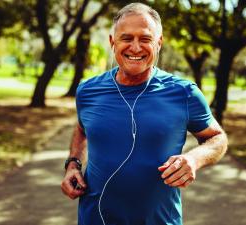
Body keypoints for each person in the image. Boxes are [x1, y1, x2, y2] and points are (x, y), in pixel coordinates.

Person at [61, 3, 228, 225]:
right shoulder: (87, 90)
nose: (136, 47)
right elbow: (82, 128)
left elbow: (217, 138)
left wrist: (193, 159)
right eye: (127, 38)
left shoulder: (184, 92)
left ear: (159, 43)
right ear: (113, 42)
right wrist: (73, 165)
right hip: (93, 218)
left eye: (145, 39)